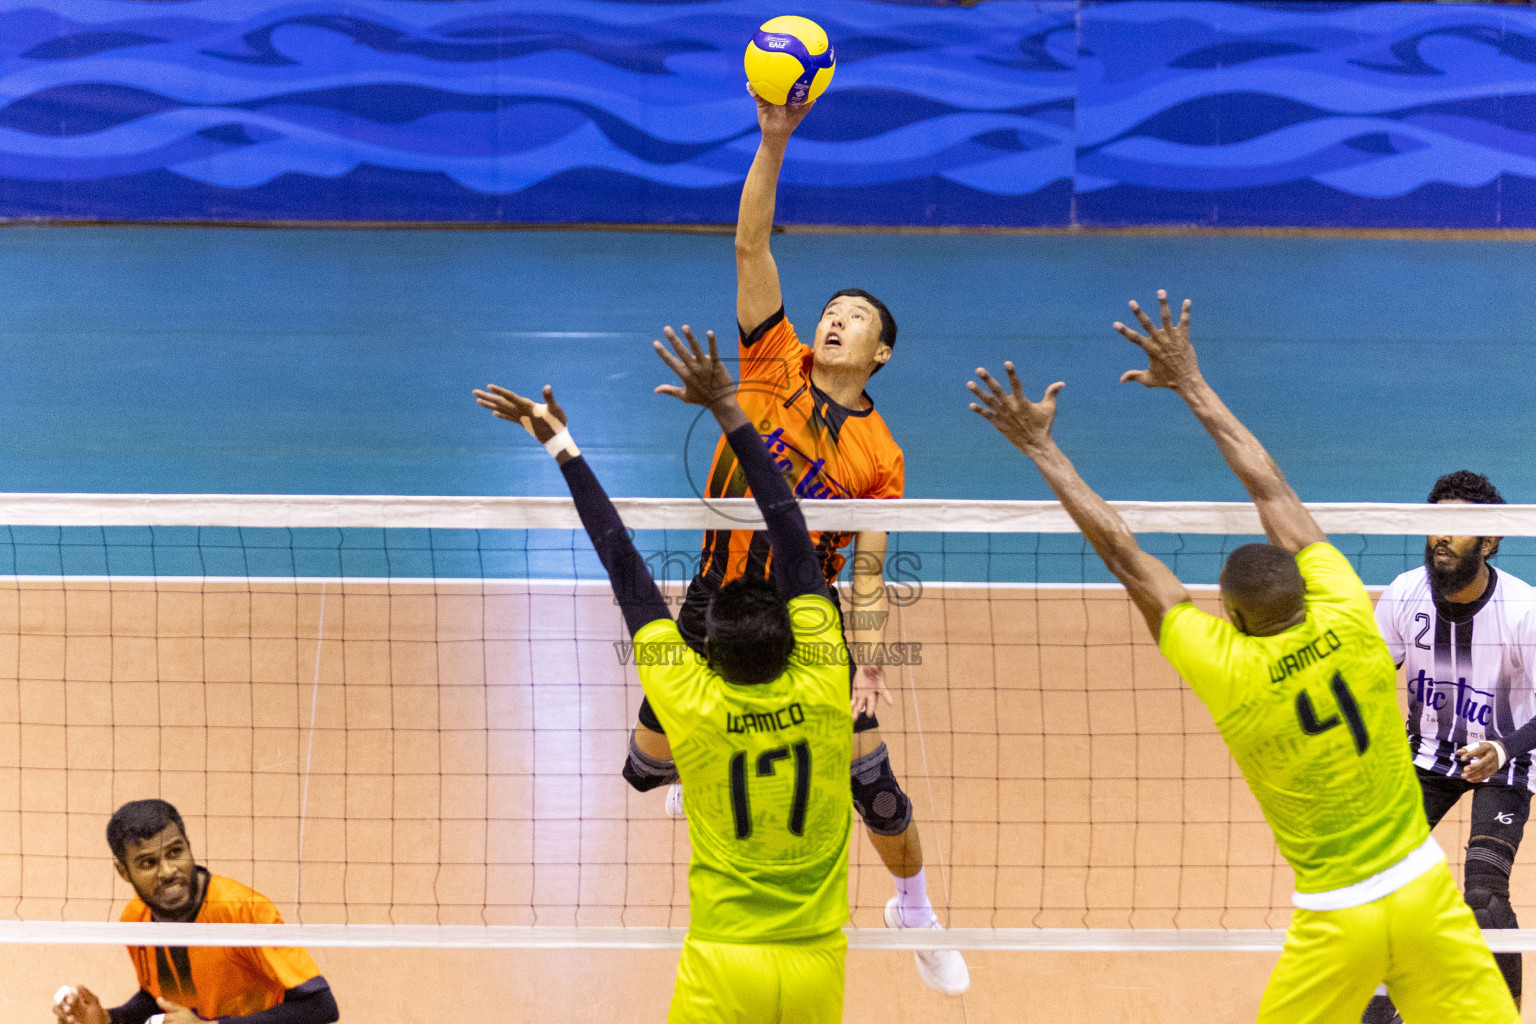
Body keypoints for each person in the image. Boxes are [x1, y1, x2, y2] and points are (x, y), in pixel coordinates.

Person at [966, 290, 1519, 1023]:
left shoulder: (1228, 669)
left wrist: (1041, 447)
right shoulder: (1351, 609)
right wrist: (1191, 382)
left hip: (1335, 919)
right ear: (1305, 584)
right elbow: (1270, 489)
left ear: (1230, 619)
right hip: (1422, 893)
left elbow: (1128, 559)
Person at [619, 85, 968, 996]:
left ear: (881, 352)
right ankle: (702, 757)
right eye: (832, 307)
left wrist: (875, 652)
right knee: (641, 771)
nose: (835, 316)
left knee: (876, 788)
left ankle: (917, 910)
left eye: (855, 316)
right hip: (710, 600)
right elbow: (751, 243)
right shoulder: (772, 360)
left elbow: (877, 564)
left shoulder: (881, 454)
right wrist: (773, 139)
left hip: (806, 629)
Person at [474, 325, 853, 1023]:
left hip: (722, 960)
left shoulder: (689, 698)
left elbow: (624, 566)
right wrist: (730, 409)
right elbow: (791, 530)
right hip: (817, 960)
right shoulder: (826, 677)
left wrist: (562, 445)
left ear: (710, 650)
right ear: (795, 638)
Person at [1363, 470, 1536, 1023]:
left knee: (1484, 898)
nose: (1441, 537)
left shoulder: (1524, 611)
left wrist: (1505, 751)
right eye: (1435, 522)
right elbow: (1364, 682)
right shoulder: (1403, 594)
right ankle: (1387, 1001)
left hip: (1506, 756)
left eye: (1458, 528)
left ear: (1490, 542)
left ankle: (1508, 1014)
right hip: (1428, 755)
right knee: (1374, 876)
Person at [54, 799, 339, 1024]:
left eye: (175, 852)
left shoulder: (244, 911)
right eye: (148, 863)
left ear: (189, 847)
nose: (168, 872)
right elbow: (160, 997)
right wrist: (108, 1018)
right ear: (123, 871)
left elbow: (320, 1006)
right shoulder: (136, 920)